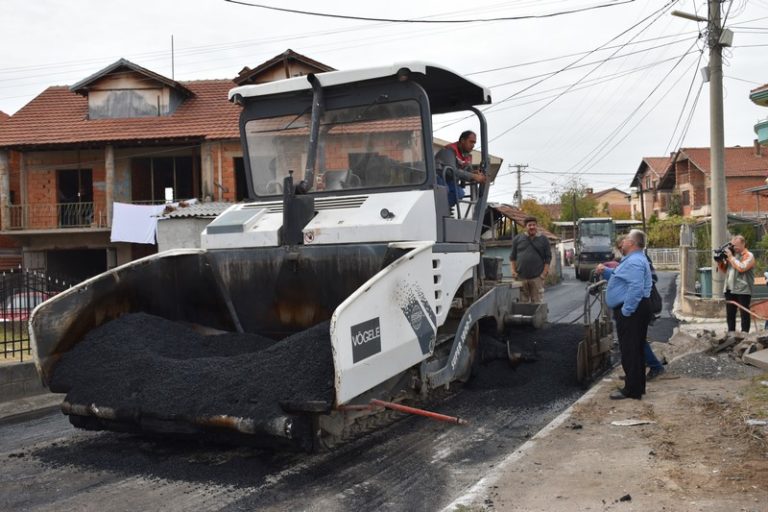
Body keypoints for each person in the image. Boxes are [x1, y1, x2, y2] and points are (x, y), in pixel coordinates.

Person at [596, 229, 652, 400]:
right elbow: (622, 277)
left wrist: (627, 311)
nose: (623, 241)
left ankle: (632, 390)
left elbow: (636, 287)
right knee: (635, 348)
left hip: (632, 311)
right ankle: (636, 386)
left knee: (630, 350)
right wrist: (606, 272)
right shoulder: (634, 260)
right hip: (636, 308)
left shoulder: (634, 261)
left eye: (627, 239)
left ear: (632, 243)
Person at [604, 236, 665, 381]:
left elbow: (637, 283)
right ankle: (636, 372)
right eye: (619, 248)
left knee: (636, 340)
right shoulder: (630, 260)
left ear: (631, 244)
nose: (621, 250)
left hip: (637, 306)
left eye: (622, 246)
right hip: (635, 305)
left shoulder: (637, 260)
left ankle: (654, 367)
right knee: (635, 341)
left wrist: (627, 310)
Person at [434, 130, 487, 207]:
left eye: (474, 143)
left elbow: (467, 171)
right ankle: (438, 209)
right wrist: (473, 176)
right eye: (471, 142)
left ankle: (445, 209)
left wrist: (474, 173)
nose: (473, 145)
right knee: (445, 190)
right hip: (438, 178)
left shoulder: (466, 156)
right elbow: (450, 171)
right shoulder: (449, 151)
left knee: (459, 193)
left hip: (450, 181)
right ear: (462, 140)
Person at [716, 234, 755, 333]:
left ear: (743, 244)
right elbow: (726, 270)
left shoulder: (748, 255)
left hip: (743, 290)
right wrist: (720, 261)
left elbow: (741, 268)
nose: (734, 248)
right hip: (729, 289)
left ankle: (745, 335)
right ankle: (731, 334)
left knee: (744, 314)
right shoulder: (733, 256)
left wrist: (731, 257)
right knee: (730, 314)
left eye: (736, 245)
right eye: (733, 245)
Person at [509, 216, 551, 303]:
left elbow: (548, 258)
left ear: (536, 226)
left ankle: (537, 317)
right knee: (521, 304)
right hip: (521, 278)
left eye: (534, 225)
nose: (532, 227)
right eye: (529, 225)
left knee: (537, 304)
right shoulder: (517, 239)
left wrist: (543, 274)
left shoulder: (543, 239)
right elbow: (512, 257)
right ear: (525, 226)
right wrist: (513, 271)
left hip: (537, 278)